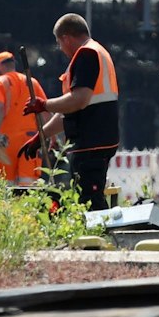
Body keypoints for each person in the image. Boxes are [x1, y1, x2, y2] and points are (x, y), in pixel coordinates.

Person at [22, 13, 119, 210]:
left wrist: (44, 105)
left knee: (89, 201)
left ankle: (98, 230)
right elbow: (68, 109)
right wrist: (41, 137)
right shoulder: (97, 52)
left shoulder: (86, 54)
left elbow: (78, 100)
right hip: (96, 140)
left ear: (66, 38)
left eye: (59, 42)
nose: (60, 48)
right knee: (86, 197)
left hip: (91, 141)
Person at [0, 51, 47, 189]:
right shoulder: (32, 82)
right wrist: (53, 137)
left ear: (0, 67)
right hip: (30, 140)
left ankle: (11, 204)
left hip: (6, 141)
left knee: (8, 185)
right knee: (29, 184)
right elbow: (45, 110)